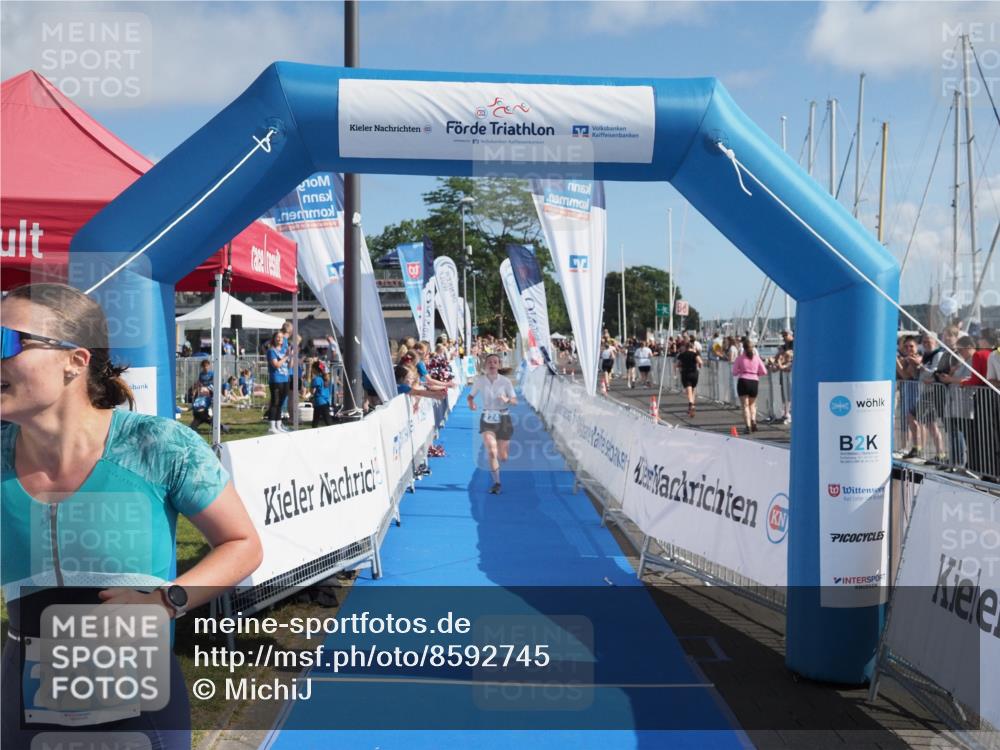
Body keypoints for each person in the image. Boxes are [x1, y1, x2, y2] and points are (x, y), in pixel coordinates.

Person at [0, 283, 262, 749]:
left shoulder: (158, 445)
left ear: (74, 361)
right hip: (21, 703)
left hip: (138, 709)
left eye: (5, 341)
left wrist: (169, 601)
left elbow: (243, 544)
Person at [467, 353, 517, 495]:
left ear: (499, 365)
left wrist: (506, 400)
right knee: (491, 451)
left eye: (495, 362)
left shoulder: (505, 382)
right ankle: (497, 483)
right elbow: (470, 396)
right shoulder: (480, 381)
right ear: (485, 365)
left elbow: (515, 401)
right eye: (489, 361)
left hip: (504, 418)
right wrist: (471, 403)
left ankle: (502, 456)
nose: (492, 364)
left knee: (503, 456)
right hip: (487, 417)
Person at [732, 336, 768, 434]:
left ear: (743, 347)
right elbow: (764, 371)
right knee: (753, 404)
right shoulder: (757, 358)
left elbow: (734, 372)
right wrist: (756, 374)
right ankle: (754, 421)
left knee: (745, 405)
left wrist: (741, 371)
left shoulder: (739, 358)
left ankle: (748, 426)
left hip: (743, 380)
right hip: (754, 381)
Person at [266, 330, 291, 434]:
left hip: (285, 379)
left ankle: (278, 425)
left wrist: (290, 356)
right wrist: (286, 357)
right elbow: (276, 365)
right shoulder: (271, 351)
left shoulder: (284, 350)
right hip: (276, 379)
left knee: (280, 403)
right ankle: (272, 426)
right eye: (277, 337)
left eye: (281, 337)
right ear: (274, 339)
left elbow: (289, 366)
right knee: (275, 402)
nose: (280, 339)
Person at [675, 339, 702, 417]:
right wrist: (699, 366)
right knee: (693, 389)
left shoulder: (682, 355)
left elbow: (677, 364)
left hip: (686, 373)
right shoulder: (695, 354)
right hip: (694, 373)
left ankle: (691, 403)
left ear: (685, 347)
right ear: (692, 347)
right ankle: (691, 406)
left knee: (689, 390)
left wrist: (680, 366)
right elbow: (700, 362)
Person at [309, 360, 334, 427]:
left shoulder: (316, 379)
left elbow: (312, 391)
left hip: (319, 402)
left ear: (315, 369)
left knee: (316, 421)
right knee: (327, 420)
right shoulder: (326, 378)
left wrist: (311, 384)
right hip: (326, 402)